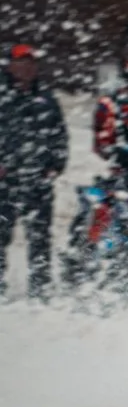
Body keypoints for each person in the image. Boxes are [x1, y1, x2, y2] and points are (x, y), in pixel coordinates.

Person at [0, 43, 68, 298]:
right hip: (5, 181)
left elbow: (59, 134)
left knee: (40, 238)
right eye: (22, 62)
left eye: (32, 62)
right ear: (9, 65)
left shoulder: (46, 99)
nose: (28, 67)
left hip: (38, 180)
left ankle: (41, 289)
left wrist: (55, 165)